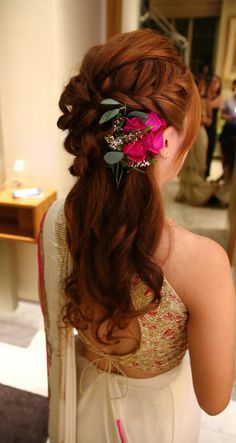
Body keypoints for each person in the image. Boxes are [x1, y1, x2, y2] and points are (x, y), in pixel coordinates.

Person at [38, 29, 235, 443]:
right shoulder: (203, 262)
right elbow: (215, 400)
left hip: (85, 406)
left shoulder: (59, 221)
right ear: (164, 140)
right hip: (159, 423)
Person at [175, 76, 219, 205]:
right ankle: (184, 192)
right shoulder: (189, 100)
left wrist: (201, 119)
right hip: (190, 131)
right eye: (199, 85)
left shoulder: (207, 101)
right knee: (187, 162)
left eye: (203, 85)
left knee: (198, 162)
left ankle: (196, 194)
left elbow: (210, 121)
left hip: (200, 134)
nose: (201, 88)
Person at [205, 75, 223, 178]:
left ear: (219, 85)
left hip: (212, 128)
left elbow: (209, 106)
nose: (213, 84)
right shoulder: (206, 96)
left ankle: (206, 175)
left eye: (216, 82)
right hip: (204, 127)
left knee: (209, 151)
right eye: (212, 82)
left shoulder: (220, 98)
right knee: (203, 151)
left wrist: (206, 98)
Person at [219, 78, 236, 182]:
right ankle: (225, 175)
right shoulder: (228, 101)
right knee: (225, 153)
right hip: (228, 128)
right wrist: (228, 117)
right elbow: (222, 114)